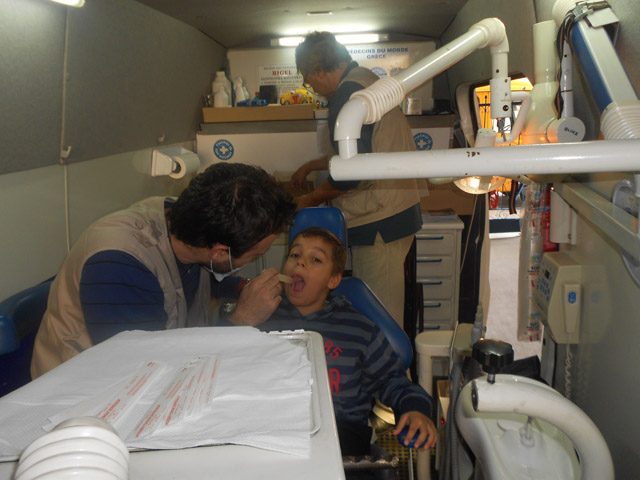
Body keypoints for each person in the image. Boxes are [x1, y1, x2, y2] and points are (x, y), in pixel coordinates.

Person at [31, 162, 297, 378]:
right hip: (85, 395)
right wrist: (240, 321)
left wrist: (243, 288)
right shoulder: (119, 267)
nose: (255, 260)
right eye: (256, 255)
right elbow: (143, 374)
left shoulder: (192, 222)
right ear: (219, 253)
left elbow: (205, 279)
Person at [256, 227, 437, 456]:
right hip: (274, 428)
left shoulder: (359, 329)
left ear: (333, 280)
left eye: (315, 259)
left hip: (341, 434)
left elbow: (392, 380)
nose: (300, 263)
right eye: (294, 255)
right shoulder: (264, 318)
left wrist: (415, 409)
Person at [290, 31, 424, 329]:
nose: (312, 88)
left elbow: (351, 175)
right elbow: (358, 151)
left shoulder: (348, 96)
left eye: (308, 81)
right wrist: (312, 165)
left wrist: (308, 200)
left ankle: (388, 361)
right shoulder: (365, 81)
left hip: (379, 222)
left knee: (380, 317)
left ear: (319, 71)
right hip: (394, 212)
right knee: (381, 307)